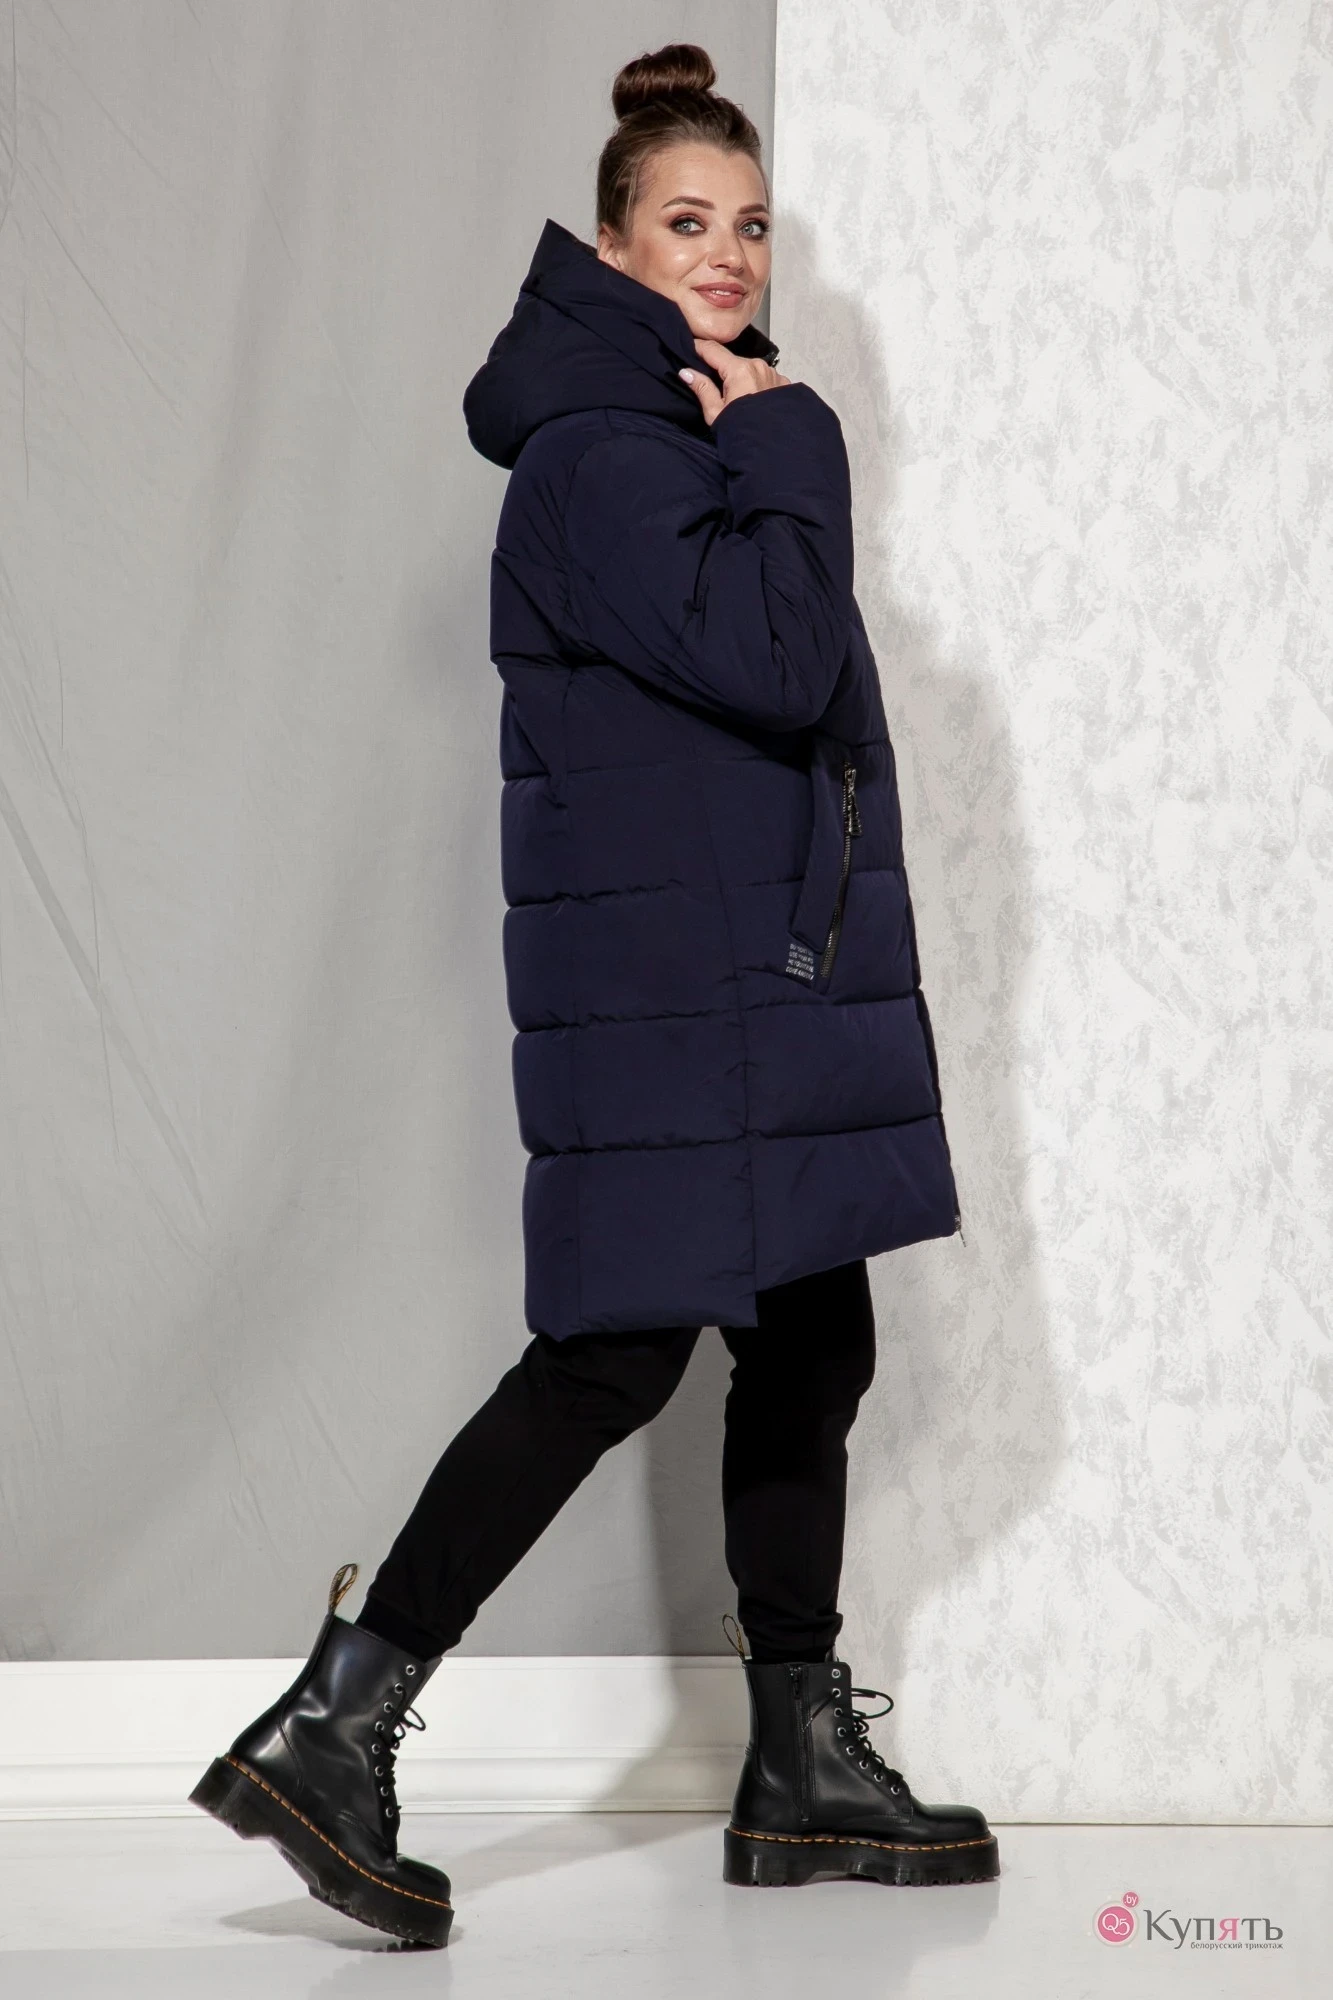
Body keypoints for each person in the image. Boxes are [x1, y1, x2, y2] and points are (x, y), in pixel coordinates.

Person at [189, 42, 998, 1950]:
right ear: (612, 247)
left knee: (813, 1343)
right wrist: (795, 445)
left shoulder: (677, 435)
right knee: (613, 1358)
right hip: (683, 1000)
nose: (728, 255)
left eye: (753, 227)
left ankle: (797, 1760)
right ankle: (333, 1727)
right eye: (687, 223)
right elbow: (782, 662)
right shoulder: (605, 454)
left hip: (741, 985)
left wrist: (760, 447)